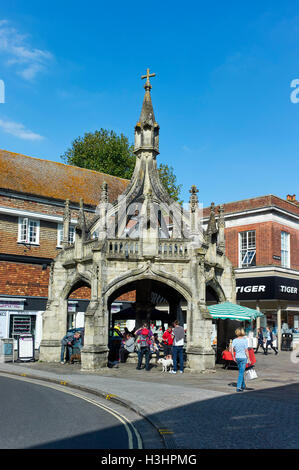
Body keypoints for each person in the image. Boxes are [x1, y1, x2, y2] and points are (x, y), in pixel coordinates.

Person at [231, 328, 251, 392]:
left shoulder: (234, 340)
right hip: (243, 358)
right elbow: (246, 350)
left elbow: (231, 349)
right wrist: (249, 359)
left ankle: (243, 385)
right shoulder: (245, 340)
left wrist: (233, 357)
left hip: (237, 357)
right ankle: (238, 387)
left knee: (241, 371)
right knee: (241, 372)